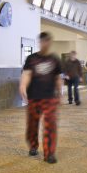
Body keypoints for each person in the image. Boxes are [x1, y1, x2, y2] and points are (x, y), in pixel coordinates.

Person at [20, 32, 63, 164]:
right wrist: (22, 86)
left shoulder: (55, 59)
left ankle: (49, 153)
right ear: (40, 42)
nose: (45, 44)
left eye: (48, 41)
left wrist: (60, 92)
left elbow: (58, 77)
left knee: (50, 125)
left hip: (50, 97)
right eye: (43, 41)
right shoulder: (31, 59)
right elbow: (27, 74)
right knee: (32, 124)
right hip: (34, 96)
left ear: (50, 42)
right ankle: (33, 145)